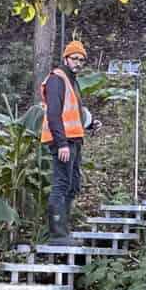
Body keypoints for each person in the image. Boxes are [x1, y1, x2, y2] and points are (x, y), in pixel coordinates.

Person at [40, 40, 101, 244]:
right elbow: (54, 114)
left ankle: (63, 232)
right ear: (66, 58)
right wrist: (62, 144)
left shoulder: (71, 80)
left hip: (73, 140)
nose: (78, 63)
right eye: (75, 58)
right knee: (61, 184)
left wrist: (90, 124)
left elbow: (73, 113)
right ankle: (57, 234)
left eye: (82, 60)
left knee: (73, 185)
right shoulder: (57, 79)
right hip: (63, 142)